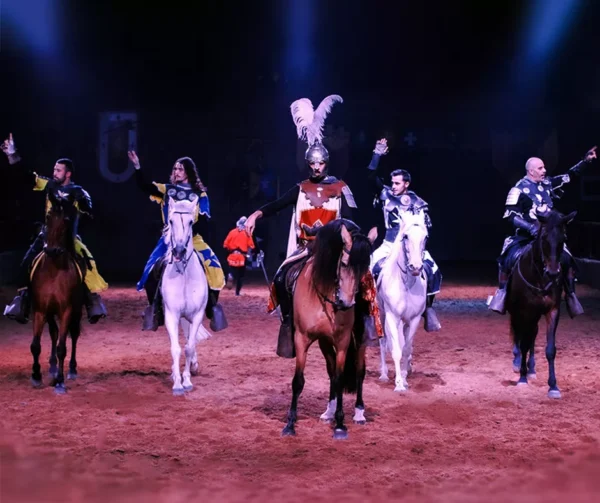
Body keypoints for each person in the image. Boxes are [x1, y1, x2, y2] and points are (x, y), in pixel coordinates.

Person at [245, 94, 380, 358]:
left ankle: (363, 323)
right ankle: (288, 322)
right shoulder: (300, 189)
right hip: (307, 248)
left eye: (320, 163)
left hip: (334, 250)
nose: (317, 167)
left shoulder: (341, 188)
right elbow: (277, 205)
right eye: (313, 163)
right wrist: (255, 215)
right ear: (308, 164)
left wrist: (355, 240)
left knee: (363, 279)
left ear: (326, 164)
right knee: (282, 277)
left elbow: (351, 218)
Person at [2, 133, 108, 324]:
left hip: (69, 238)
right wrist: (12, 155)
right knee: (25, 264)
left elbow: (90, 213)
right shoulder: (49, 185)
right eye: (54, 169)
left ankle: (93, 301)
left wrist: (77, 208)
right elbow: (26, 176)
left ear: (68, 174)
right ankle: (22, 301)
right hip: (46, 236)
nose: (55, 173)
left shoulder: (79, 192)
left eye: (59, 170)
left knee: (89, 264)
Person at [488, 146, 597, 317]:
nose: (544, 170)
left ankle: (570, 295)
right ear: (531, 171)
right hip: (526, 236)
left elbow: (569, 177)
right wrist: (531, 227)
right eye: (540, 168)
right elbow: (511, 216)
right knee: (505, 258)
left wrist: (585, 161)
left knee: (567, 258)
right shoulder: (518, 190)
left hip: (547, 236)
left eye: (544, 167)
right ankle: (502, 294)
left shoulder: (547, 184)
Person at [128, 150, 226, 331]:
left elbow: (204, 219)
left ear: (188, 172)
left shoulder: (200, 194)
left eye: (180, 169)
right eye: (175, 169)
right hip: (168, 240)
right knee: (150, 270)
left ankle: (212, 308)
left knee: (215, 268)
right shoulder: (167, 190)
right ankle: (155, 310)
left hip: (193, 238)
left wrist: (186, 233)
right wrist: (137, 167)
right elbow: (145, 186)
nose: (176, 172)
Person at [366, 138, 442, 332]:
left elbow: (425, 228)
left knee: (433, 270)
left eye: (397, 183)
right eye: (392, 182)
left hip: (412, 246)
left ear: (406, 184)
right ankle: (369, 311)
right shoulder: (384, 195)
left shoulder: (418, 202)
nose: (393, 186)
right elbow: (370, 176)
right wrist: (377, 154)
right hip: (389, 244)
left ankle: (428, 309)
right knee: (369, 270)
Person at [223, 216, 255, 296]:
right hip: (242, 257)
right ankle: (237, 293)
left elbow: (225, 244)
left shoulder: (232, 232)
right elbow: (251, 246)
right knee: (241, 276)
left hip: (232, 256)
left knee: (232, 270)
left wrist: (231, 249)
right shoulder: (247, 233)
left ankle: (230, 274)